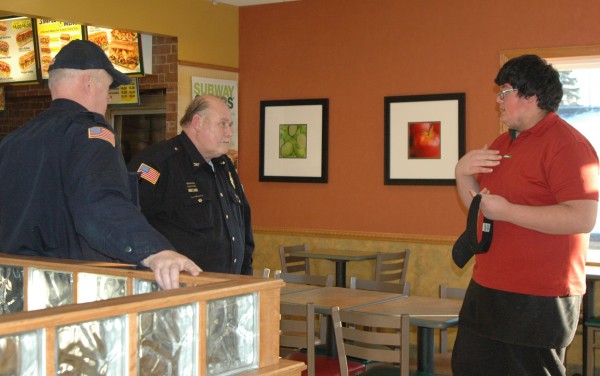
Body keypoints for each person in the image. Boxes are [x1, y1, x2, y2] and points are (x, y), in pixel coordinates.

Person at [0, 40, 201, 290]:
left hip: (13, 287)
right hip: (66, 289)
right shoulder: (91, 134)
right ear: (88, 83)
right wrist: (155, 251)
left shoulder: (12, 141)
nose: (108, 97)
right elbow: (99, 203)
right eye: (108, 88)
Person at [453, 54, 599, 375]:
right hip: (487, 286)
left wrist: (508, 211)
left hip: (540, 294)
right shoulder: (502, 142)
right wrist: (462, 174)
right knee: (468, 368)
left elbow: (582, 217)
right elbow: (481, 210)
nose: (498, 101)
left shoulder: (569, 145)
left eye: (504, 92)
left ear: (530, 96)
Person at [127, 95, 254, 275]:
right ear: (197, 122)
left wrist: (245, 278)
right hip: (179, 289)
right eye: (223, 124)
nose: (229, 133)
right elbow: (129, 221)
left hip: (228, 286)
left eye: (230, 125)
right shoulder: (158, 164)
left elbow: (243, 227)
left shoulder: (224, 165)